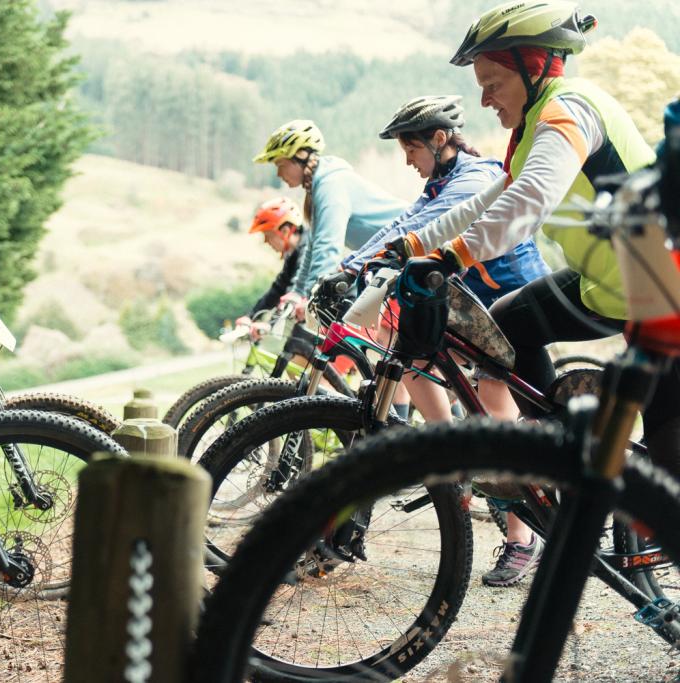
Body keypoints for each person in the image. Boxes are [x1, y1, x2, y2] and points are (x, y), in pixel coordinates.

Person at [389, 0, 678, 587]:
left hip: (661, 289)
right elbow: (490, 199)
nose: (485, 99)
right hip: (608, 286)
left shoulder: (568, 113)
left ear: (537, 65)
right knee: (510, 322)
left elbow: (528, 204)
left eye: (492, 83)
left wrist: (452, 257)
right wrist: (412, 244)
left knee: (671, 464)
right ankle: (558, 455)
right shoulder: (532, 130)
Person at [346, 95, 550, 422]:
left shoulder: (473, 178)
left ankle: (499, 463)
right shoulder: (440, 182)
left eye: (411, 150)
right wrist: (350, 266)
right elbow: (402, 223)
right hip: (477, 305)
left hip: (513, 300)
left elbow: (425, 226)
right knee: (412, 354)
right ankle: (443, 446)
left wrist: (358, 265)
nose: (408, 161)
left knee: (492, 419)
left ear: (439, 140)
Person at [253, 120, 406, 320]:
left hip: (413, 249)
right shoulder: (318, 188)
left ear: (300, 157)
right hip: (392, 261)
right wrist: (298, 292)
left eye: (281, 165)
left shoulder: (330, 186)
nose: (279, 173)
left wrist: (311, 295)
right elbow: (313, 248)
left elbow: (327, 248)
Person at [234, 197, 305, 336]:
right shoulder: (293, 255)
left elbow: (294, 293)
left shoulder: (307, 251)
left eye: (268, 235)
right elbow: (278, 289)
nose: (266, 241)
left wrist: (269, 325)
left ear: (285, 231)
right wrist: (250, 316)